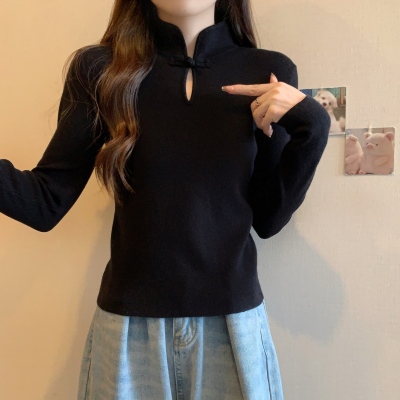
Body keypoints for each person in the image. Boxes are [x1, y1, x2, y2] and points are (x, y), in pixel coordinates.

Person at [0, 0, 330, 399]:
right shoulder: (100, 69)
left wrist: (313, 124)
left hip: (232, 325)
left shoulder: (266, 70)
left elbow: (268, 218)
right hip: (128, 330)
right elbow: (44, 202)